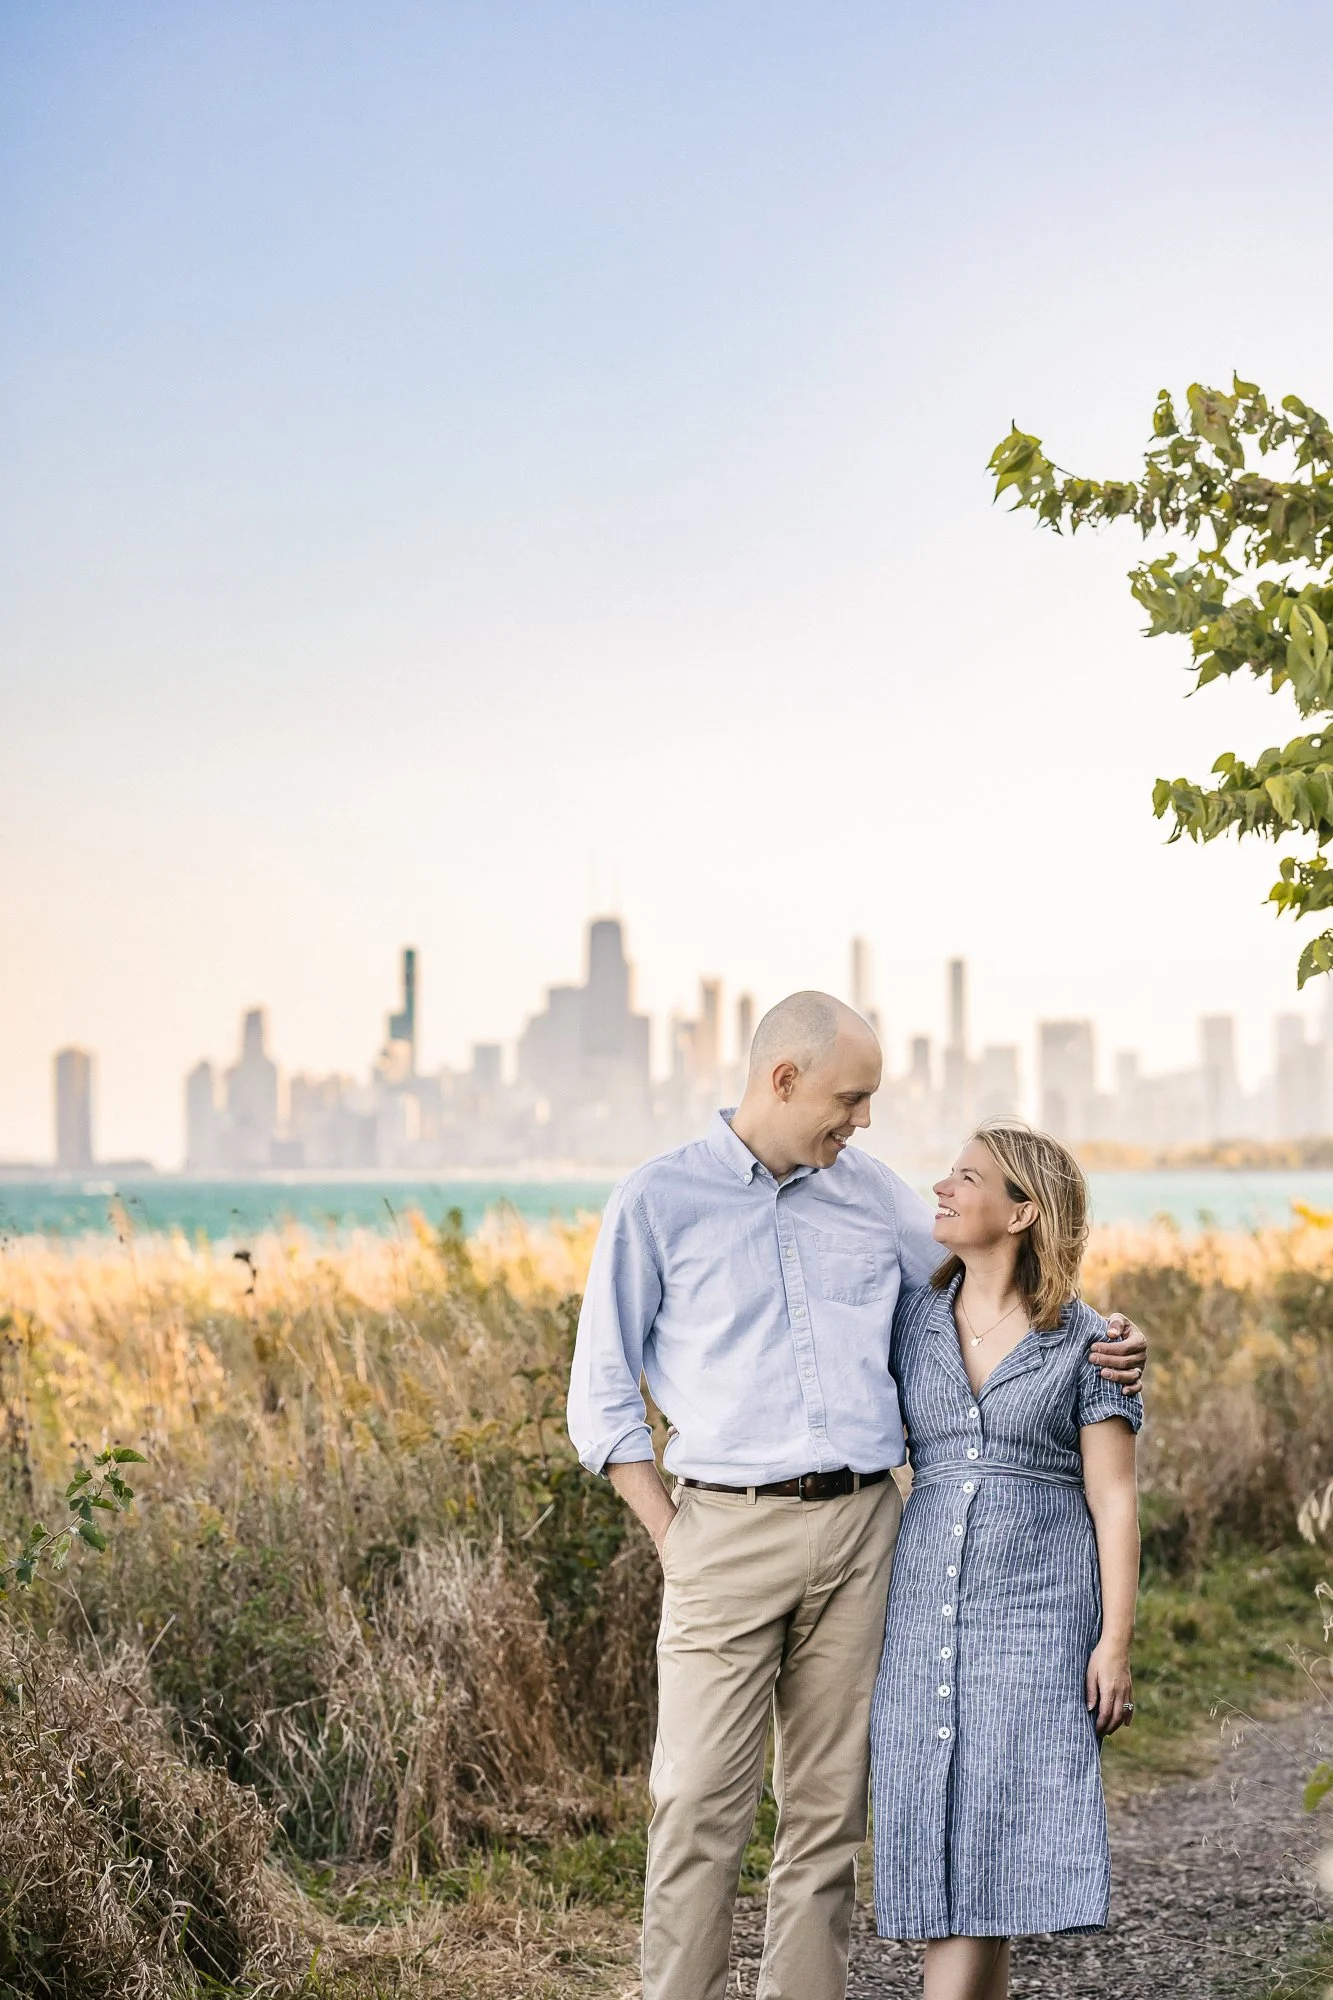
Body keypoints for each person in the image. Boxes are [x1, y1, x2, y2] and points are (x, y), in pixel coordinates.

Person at [566, 992, 1145, 2000]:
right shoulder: (655, 1200)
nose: (863, 1120)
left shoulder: (871, 1196)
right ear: (783, 1080)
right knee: (698, 1804)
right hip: (721, 1530)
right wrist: (675, 1534)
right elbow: (602, 1393)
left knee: (826, 1813)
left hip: (866, 1532)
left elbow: (1004, 1293)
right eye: (851, 1096)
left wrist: (1111, 1339)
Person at [869, 1118, 1141, 2000]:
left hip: (1036, 1607)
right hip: (922, 1608)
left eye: (966, 1177)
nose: (941, 1188)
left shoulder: (1087, 1339)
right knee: (934, 1818)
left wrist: (1114, 1641)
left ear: (1023, 1212)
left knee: (990, 1822)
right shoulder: (910, 1319)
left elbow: (1113, 1496)